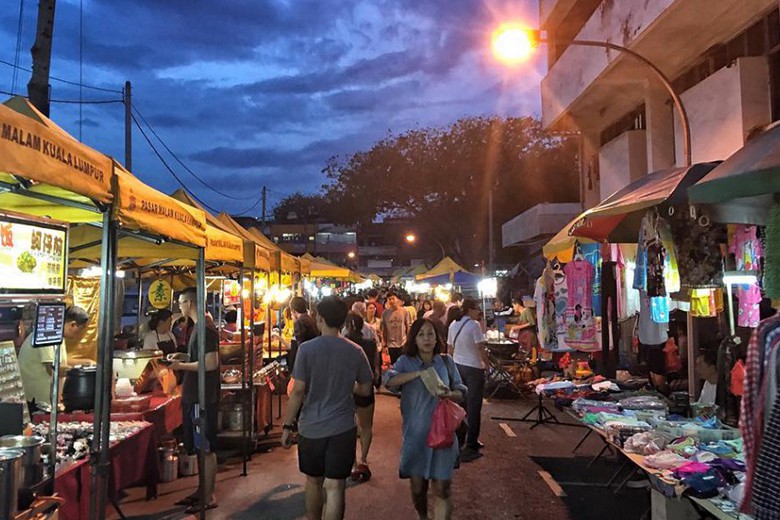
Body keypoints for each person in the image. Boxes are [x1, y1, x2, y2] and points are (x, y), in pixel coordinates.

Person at [281, 296, 374, 520]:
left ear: (320, 318)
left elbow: (298, 391)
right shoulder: (355, 351)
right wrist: (345, 384)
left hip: (311, 428)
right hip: (342, 428)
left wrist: (287, 425)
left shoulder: (306, 350)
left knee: (313, 482)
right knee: (336, 487)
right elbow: (365, 389)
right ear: (343, 321)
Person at [386, 318, 467, 520]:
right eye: (421, 334)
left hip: (443, 436)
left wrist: (449, 394)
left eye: (430, 333)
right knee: (418, 489)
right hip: (415, 436)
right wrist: (418, 374)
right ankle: (423, 516)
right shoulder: (405, 362)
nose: (426, 339)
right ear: (414, 339)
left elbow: (461, 392)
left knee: (442, 488)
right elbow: (388, 381)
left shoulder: (446, 362)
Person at [170, 288, 220, 513]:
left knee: (205, 448)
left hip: (202, 396)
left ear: (189, 303)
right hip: (195, 394)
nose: (179, 307)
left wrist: (180, 366)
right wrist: (183, 358)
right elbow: (200, 359)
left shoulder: (205, 329)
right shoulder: (199, 328)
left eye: (180, 302)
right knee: (200, 448)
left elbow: (210, 363)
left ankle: (208, 497)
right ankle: (202, 491)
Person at [18, 306, 89, 414]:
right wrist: (83, 374)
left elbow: (61, 361)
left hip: (46, 401)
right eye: (82, 328)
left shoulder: (58, 336)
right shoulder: (48, 335)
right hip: (35, 402)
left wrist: (87, 363)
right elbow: (52, 369)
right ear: (72, 325)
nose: (82, 333)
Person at [447, 298, 488, 461]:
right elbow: (480, 348)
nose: (479, 312)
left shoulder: (453, 325)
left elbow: (450, 349)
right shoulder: (474, 325)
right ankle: (471, 443)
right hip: (474, 369)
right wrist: (487, 364)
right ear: (470, 309)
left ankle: (460, 439)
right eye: (477, 309)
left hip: (458, 366)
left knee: (460, 405)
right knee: (474, 406)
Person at [344, 312, 378, 481]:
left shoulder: (343, 345)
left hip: (346, 390)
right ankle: (363, 460)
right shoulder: (370, 344)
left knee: (349, 427)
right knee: (366, 427)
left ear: (348, 325)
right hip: (365, 388)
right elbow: (375, 368)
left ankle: (352, 463)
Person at [274, 296, 319, 373]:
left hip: (301, 365)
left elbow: (296, 347)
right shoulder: (309, 319)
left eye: (291, 311)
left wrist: (279, 338)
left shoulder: (299, 322)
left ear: (293, 310)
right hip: (311, 361)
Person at [382, 291, 411, 364]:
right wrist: (384, 343)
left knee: (404, 363)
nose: (391, 301)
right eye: (389, 299)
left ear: (397, 299)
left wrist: (409, 340)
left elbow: (408, 326)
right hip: (391, 344)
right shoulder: (385, 313)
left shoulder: (405, 311)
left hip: (402, 342)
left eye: (393, 298)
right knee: (394, 364)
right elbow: (384, 329)